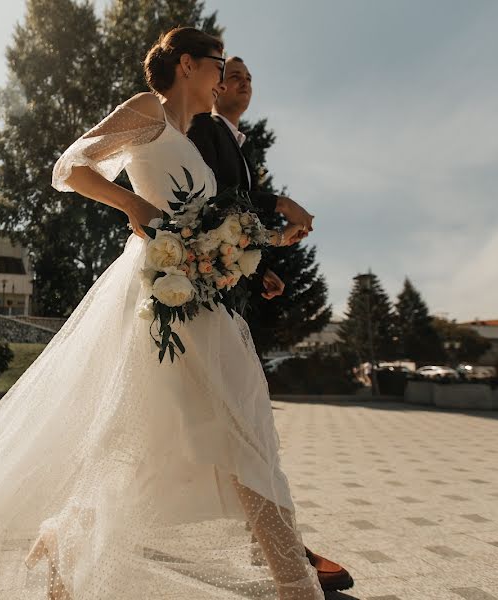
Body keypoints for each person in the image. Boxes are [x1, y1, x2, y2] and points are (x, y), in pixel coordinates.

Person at [0, 28, 324, 600]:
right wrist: (130, 203)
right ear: (189, 64)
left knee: (157, 437)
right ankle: (297, 587)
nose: (225, 77)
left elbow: (208, 214)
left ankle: (64, 537)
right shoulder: (149, 110)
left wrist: (245, 248)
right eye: (220, 64)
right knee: (238, 432)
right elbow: (68, 167)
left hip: (198, 296)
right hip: (162, 294)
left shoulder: (195, 138)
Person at [188, 56, 353, 593]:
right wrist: (279, 201)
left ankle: (278, 547)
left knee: (240, 430)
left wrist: (263, 270)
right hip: (197, 307)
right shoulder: (205, 130)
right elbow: (214, 202)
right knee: (244, 427)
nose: (242, 82)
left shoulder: (237, 143)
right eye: (232, 74)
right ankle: (286, 555)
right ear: (211, 84)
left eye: (249, 77)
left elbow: (232, 227)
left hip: (223, 300)